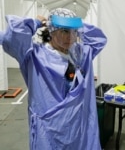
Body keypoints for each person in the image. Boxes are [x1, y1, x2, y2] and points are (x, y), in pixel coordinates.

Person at [0, 8, 107, 150]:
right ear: (51, 31)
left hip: (78, 128)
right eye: (64, 31)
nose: (70, 37)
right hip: (49, 131)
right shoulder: (34, 56)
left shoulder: (80, 54)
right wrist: (36, 23)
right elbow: (11, 37)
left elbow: (99, 39)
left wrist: (77, 24)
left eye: (73, 31)